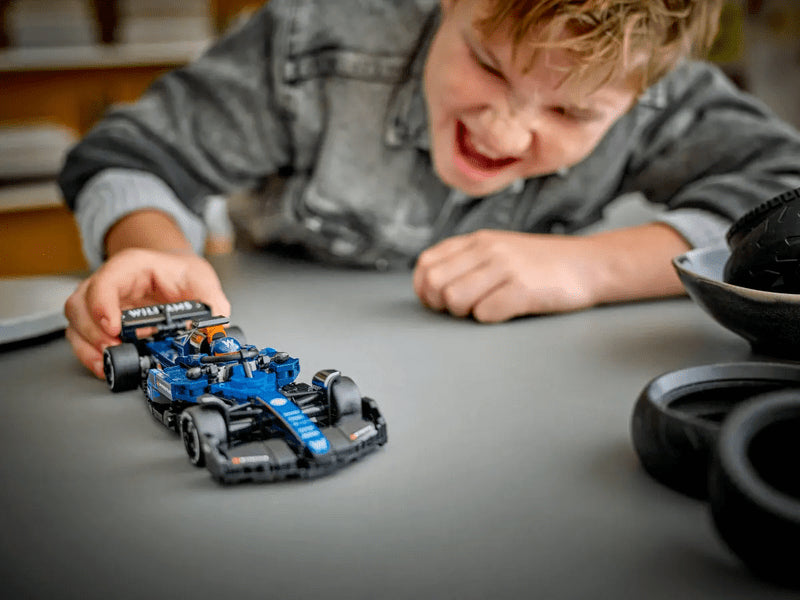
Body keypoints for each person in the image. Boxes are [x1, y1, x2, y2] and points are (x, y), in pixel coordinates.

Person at [60, 0, 800, 379]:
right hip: (284, 326)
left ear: (643, 95)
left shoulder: (656, 84)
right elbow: (131, 153)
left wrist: (589, 268)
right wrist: (152, 248)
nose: (504, 133)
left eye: (571, 113)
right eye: (488, 65)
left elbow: (785, 195)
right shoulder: (314, 38)